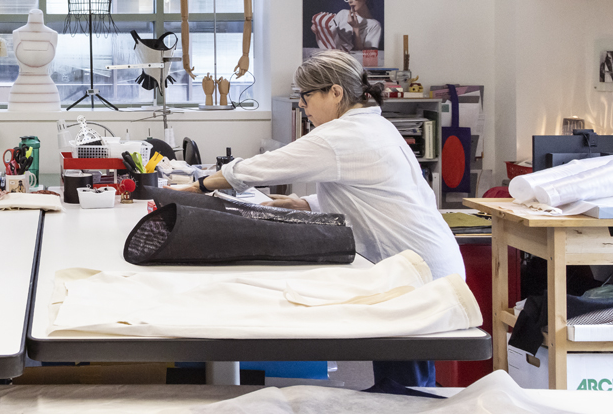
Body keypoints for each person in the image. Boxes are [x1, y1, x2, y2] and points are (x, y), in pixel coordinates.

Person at [172, 50, 464, 388]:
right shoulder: (372, 126)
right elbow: (371, 191)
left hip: (417, 273)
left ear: (335, 93)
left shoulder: (345, 135)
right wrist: (306, 203)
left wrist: (201, 184)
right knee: (404, 374)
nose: (303, 106)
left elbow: (268, 165)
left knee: (404, 382)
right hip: (422, 264)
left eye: (307, 96)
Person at [310, 0, 381, 52]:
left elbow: (366, 57)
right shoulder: (342, 13)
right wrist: (319, 30)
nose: (349, 1)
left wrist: (356, 28)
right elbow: (331, 38)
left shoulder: (374, 25)